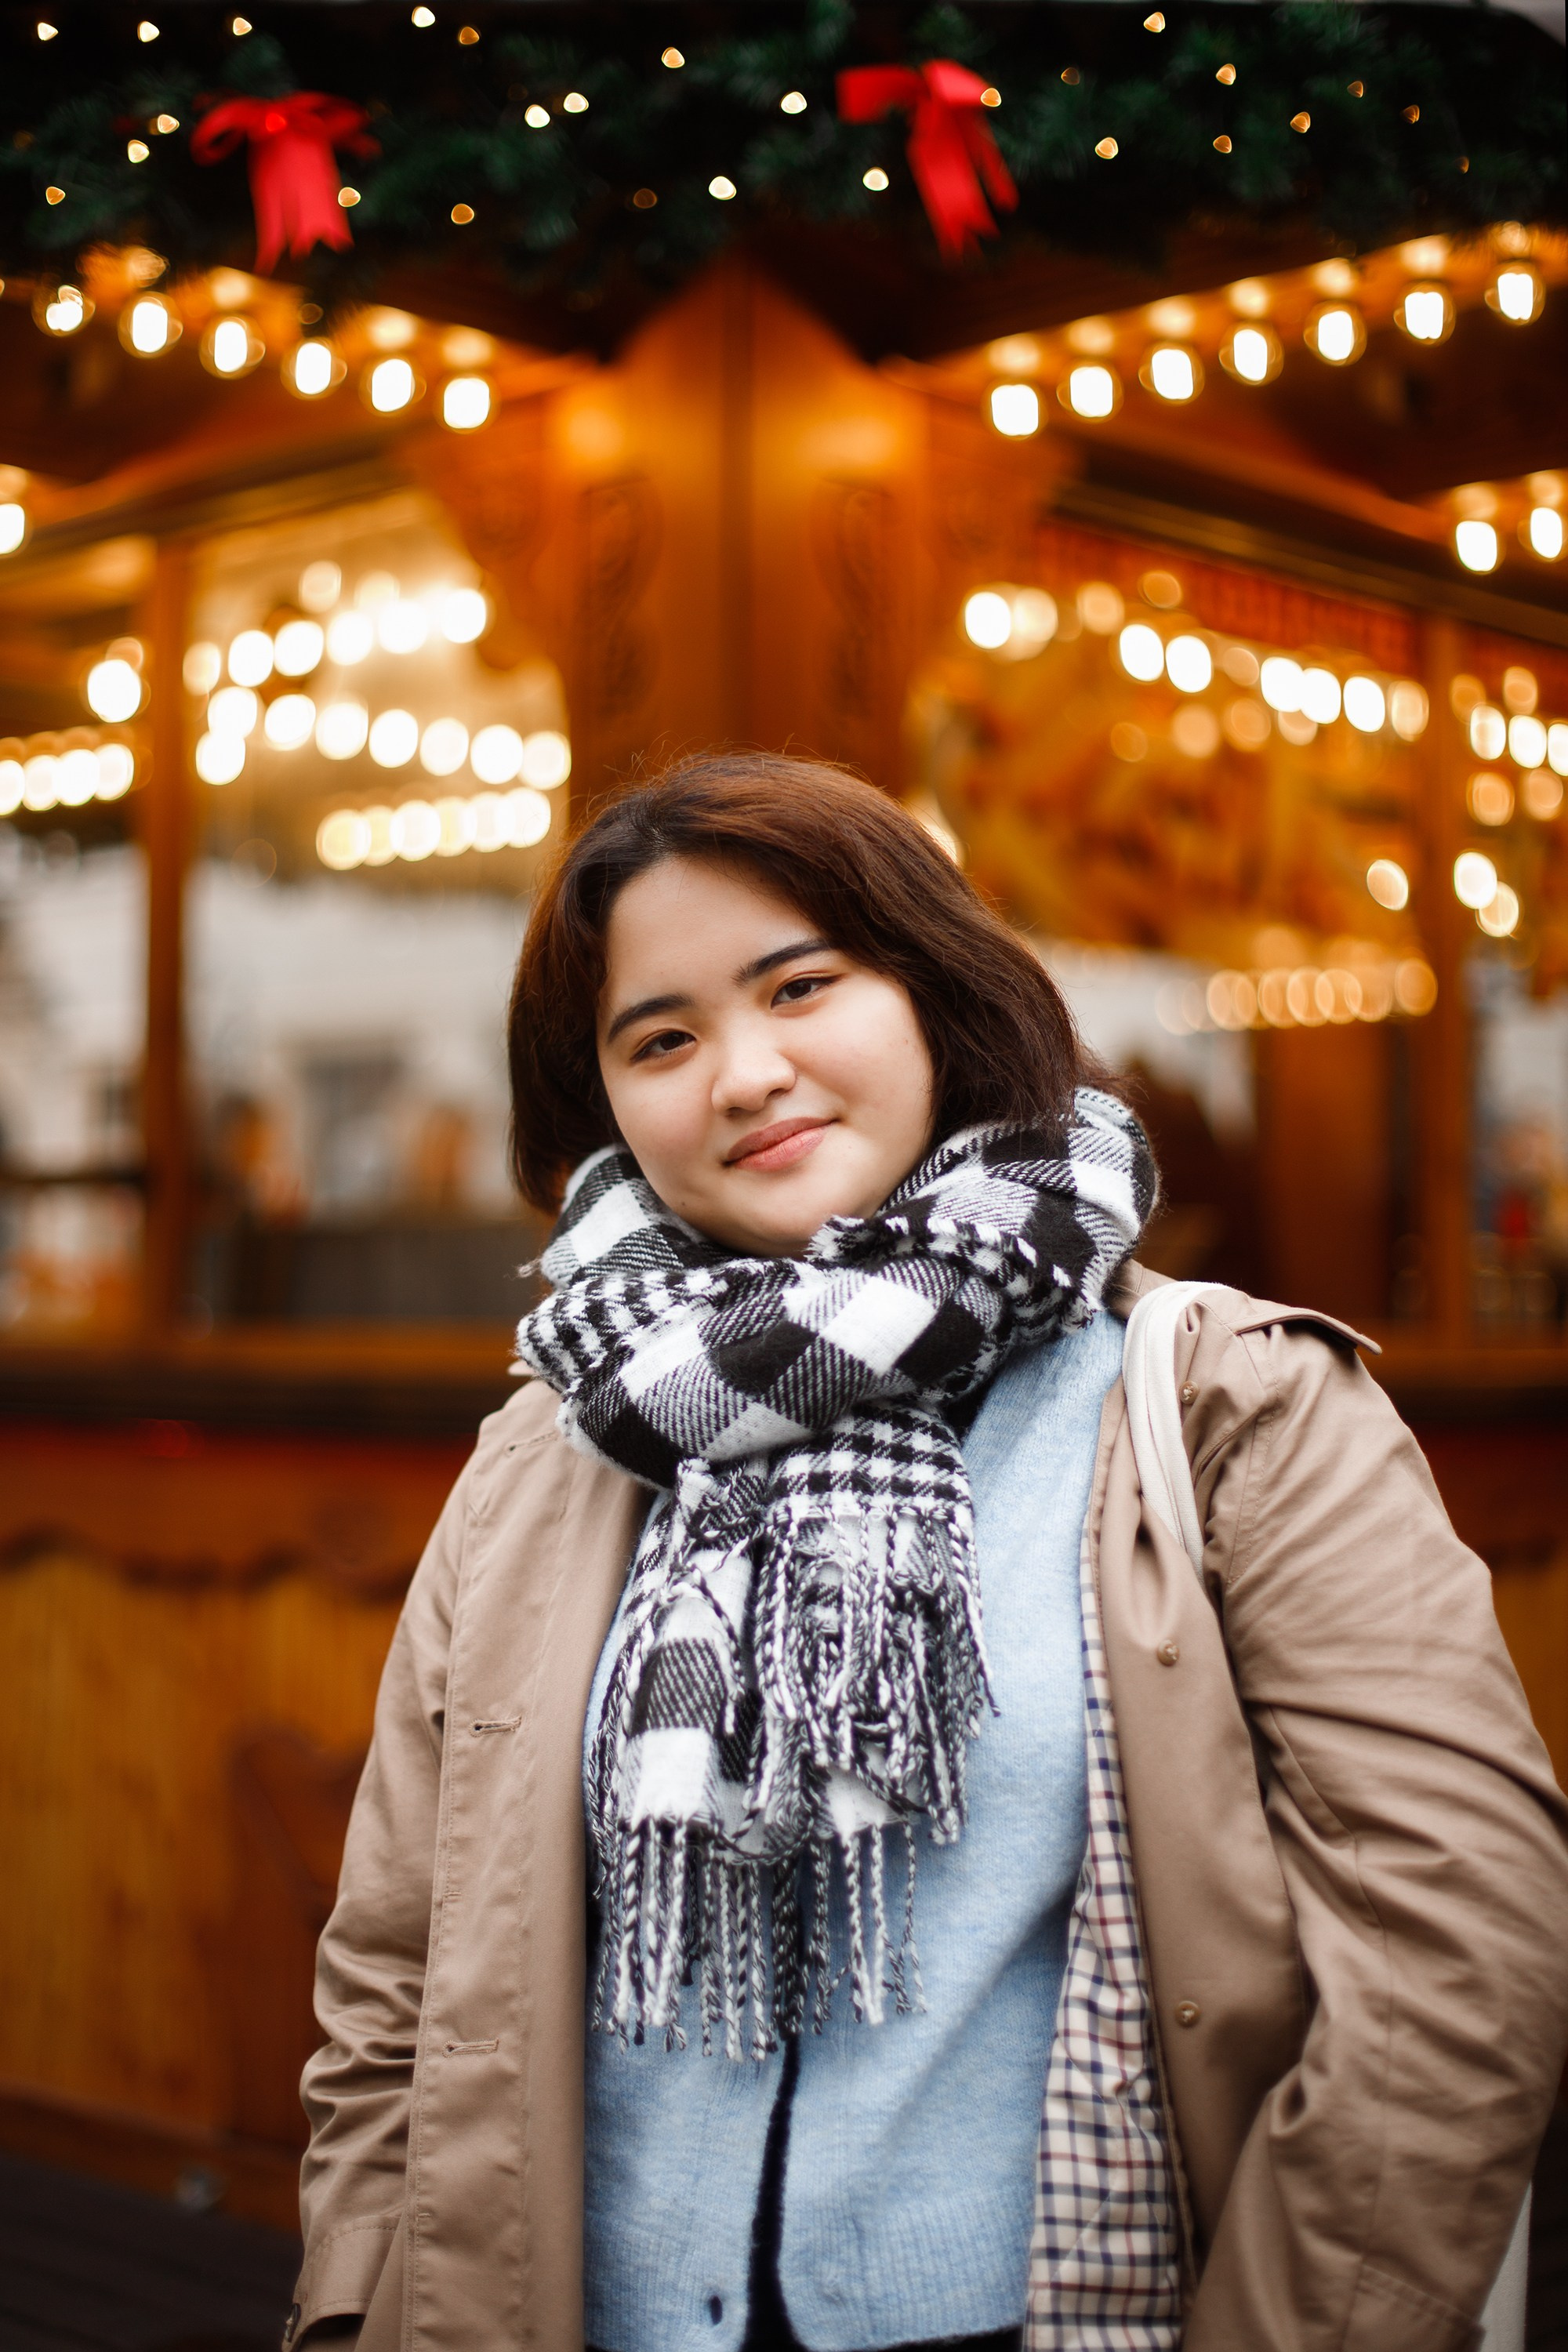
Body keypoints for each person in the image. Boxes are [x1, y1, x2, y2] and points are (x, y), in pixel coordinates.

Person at [289, 754, 1568, 2352]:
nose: (743, 1074)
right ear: (606, 1100)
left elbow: (1454, 1952)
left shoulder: (1229, 1406)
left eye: (801, 985)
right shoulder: (547, 1456)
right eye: (661, 1037)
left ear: (934, 993)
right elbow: (390, 1991)